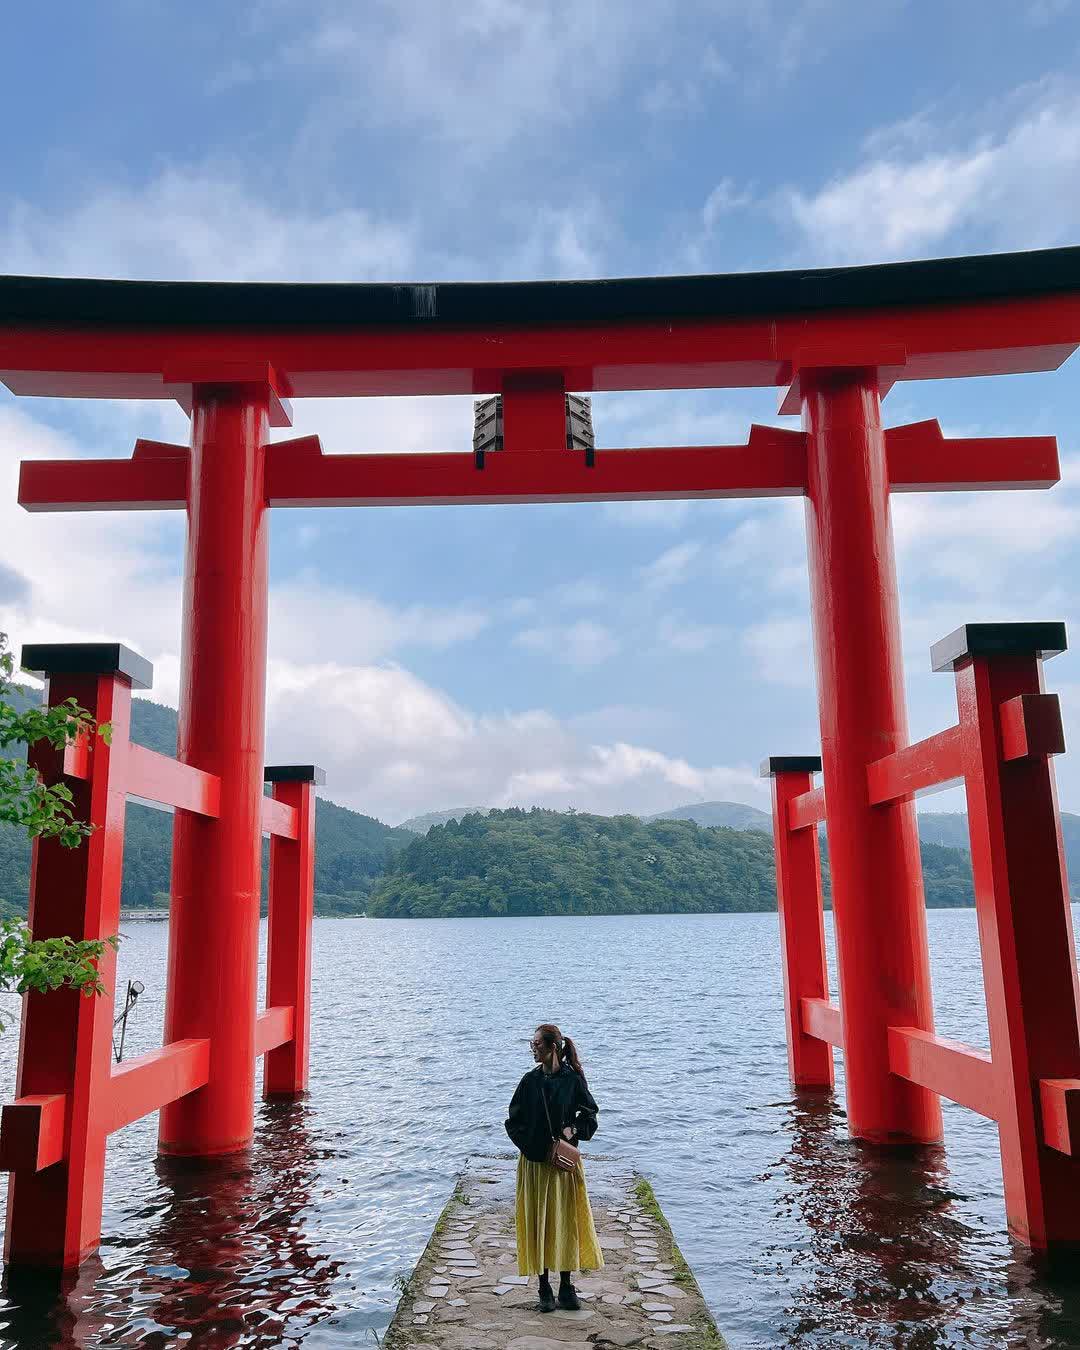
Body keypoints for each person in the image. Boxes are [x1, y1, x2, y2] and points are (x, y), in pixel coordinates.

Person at [504, 1022, 605, 1312]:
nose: (532, 1049)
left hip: (563, 1164)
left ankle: (565, 1286)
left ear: (552, 1048)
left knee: (564, 1222)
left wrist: (573, 1130)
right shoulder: (528, 1081)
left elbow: (590, 1115)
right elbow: (513, 1122)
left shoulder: (573, 1080)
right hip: (535, 1165)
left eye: (537, 1044)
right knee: (539, 1223)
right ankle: (543, 1288)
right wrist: (536, 1148)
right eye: (532, 1044)